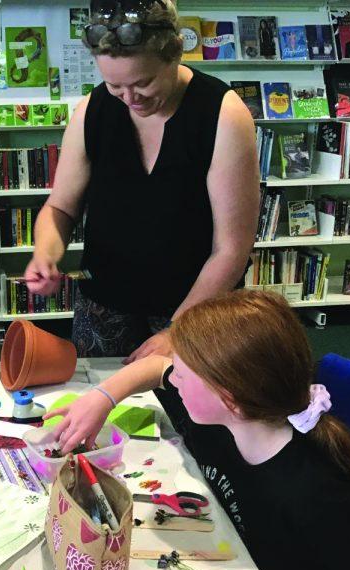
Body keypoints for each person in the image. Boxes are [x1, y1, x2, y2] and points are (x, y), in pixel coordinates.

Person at [46, 290, 350, 570]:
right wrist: (102, 397)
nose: (173, 378)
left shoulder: (313, 497)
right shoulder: (228, 418)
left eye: (182, 372)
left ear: (230, 400)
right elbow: (155, 367)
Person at [24, 0, 259, 362]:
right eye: (115, 86)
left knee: (189, 412)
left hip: (196, 308)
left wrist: (180, 330)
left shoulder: (223, 114)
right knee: (100, 408)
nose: (130, 99)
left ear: (175, 56)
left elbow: (232, 248)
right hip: (104, 307)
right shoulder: (93, 109)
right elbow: (60, 208)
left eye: (144, 83)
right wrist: (45, 253)